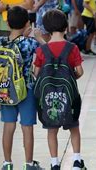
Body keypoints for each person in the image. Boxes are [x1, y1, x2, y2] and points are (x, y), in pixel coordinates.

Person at [33, 9, 86, 170]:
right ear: (65, 27)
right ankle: (77, 161)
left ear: (46, 29)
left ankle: (54, 163)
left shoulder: (42, 50)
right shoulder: (72, 47)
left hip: (49, 97)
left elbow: (36, 73)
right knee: (74, 128)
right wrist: (69, 78)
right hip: (69, 97)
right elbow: (80, 71)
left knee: (51, 130)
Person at [0, 6, 44, 170]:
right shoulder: (30, 43)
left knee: (8, 125)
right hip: (26, 88)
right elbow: (46, 51)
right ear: (27, 24)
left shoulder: (0, 41)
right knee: (27, 127)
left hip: (6, 90)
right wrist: (37, 37)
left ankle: (7, 163)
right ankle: (29, 164)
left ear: (8, 24)